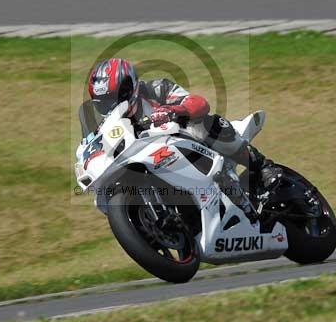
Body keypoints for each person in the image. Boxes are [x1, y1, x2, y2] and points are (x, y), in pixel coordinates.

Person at [86, 58, 282, 219]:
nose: (112, 105)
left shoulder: (156, 89)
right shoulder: (108, 126)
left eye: (115, 97)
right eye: (104, 102)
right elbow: (96, 148)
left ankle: (263, 166)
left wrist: (172, 111)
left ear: (130, 87)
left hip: (190, 146)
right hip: (157, 163)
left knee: (202, 124)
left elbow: (199, 103)